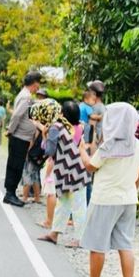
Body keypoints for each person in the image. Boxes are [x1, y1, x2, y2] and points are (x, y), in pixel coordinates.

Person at [73, 103, 139, 277]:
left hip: (105, 198)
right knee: (125, 243)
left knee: (97, 242)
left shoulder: (110, 145)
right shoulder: (138, 145)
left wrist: (81, 149)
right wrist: (131, 188)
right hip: (129, 199)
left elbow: (90, 166)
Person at [34, 100, 90, 245]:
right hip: (73, 170)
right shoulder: (78, 127)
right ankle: (54, 234)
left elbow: (49, 151)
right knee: (67, 204)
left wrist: (44, 134)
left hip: (69, 171)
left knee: (75, 206)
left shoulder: (55, 128)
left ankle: (80, 239)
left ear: (62, 114)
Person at [3, 71, 42, 207]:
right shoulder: (26, 97)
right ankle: (10, 193)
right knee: (16, 165)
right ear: (34, 83)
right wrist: (10, 130)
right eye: (38, 84)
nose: (38, 87)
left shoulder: (25, 95)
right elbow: (17, 116)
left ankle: (10, 193)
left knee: (15, 164)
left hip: (22, 137)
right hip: (19, 137)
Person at [88, 80, 106, 144]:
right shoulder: (104, 107)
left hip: (95, 144)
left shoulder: (94, 108)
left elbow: (91, 130)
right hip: (102, 142)